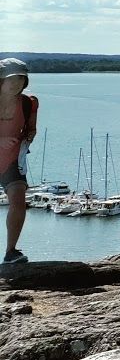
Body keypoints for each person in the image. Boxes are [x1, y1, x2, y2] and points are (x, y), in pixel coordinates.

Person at [1, 58, 40, 266]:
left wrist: (29, 135)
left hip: (12, 161)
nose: (16, 83)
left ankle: (11, 253)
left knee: (18, 200)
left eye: (20, 79)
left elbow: (31, 128)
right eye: (11, 79)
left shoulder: (28, 103)